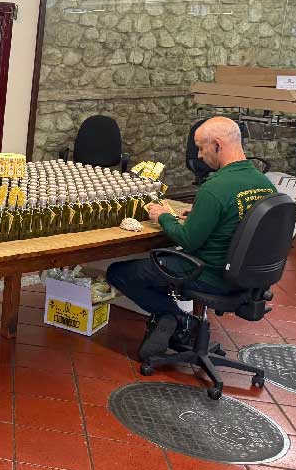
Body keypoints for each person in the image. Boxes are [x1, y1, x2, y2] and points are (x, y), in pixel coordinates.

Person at [107, 116, 276, 360]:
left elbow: (187, 240)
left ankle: (176, 318)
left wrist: (164, 216)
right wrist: (201, 214)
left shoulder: (215, 188)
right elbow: (238, 220)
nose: (198, 155)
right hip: (247, 278)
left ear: (217, 144)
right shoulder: (263, 183)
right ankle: (173, 322)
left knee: (120, 273)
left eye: (200, 147)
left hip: (208, 274)